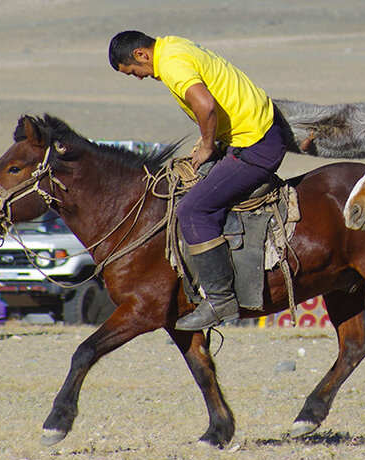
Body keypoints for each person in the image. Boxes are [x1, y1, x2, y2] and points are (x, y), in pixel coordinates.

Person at [109, 30, 288, 329]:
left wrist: (207, 145)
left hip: (255, 143)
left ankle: (220, 300)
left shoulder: (171, 64)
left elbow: (205, 106)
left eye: (134, 72)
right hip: (252, 134)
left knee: (192, 209)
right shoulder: (174, 46)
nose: (139, 77)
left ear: (141, 54)